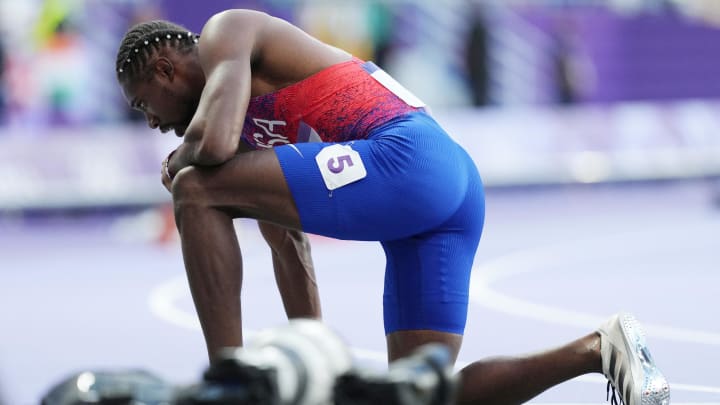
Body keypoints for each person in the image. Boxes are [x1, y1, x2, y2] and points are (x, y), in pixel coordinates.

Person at [114, 9, 669, 404]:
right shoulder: (253, 133)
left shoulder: (225, 32)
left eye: (144, 103)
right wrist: (319, 361)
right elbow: (289, 246)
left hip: (406, 156)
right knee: (417, 394)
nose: (151, 121)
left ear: (165, 70)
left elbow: (207, 149)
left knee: (194, 184)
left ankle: (224, 377)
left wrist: (177, 158)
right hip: (448, 186)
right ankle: (598, 348)